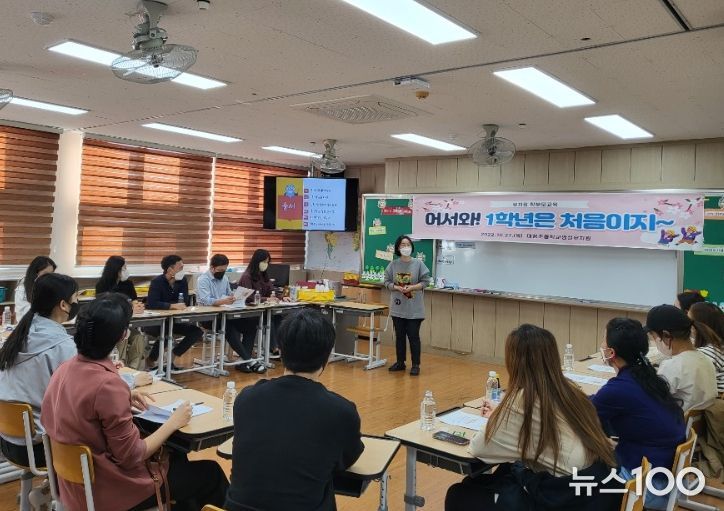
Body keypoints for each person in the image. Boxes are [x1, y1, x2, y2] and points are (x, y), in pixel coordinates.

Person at [41, 293, 228, 511]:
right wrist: (173, 422)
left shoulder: (64, 369)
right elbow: (132, 456)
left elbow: (78, 407)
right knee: (211, 474)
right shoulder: (108, 385)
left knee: (177, 457)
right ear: (122, 335)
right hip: (108, 491)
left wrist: (125, 396)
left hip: (73, 486)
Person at [445, 324, 619, 511]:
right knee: (499, 474)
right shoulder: (570, 390)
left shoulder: (522, 400)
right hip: (595, 492)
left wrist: (501, 417)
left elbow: (479, 447)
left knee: (459, 494)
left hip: (564, 498)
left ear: (513, 361)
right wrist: (502, 415)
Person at [224, 309, 364, 511]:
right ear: (327, 356)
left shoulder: (246, 398)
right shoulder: (341, 412)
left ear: (280, 350)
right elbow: (346, 460)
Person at [592, 318, 686, 510]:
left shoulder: (620, 388)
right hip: (667, 478)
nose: (601, 345)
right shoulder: (647, 376)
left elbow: (581, 414)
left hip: (649, 489)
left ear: (611, 352)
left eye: (604, 340)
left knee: (577, 472)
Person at [0, 273, 77, 467]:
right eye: (75, 298)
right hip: (39, 449)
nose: (77, 303)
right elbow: (80, 396)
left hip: (7, 441)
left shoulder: (17, 336)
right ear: (63, 305)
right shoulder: (63, 346)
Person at [646, 304, 718, 412]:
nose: (654, 341)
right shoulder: (705, 359)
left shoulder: (672, 366)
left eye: (653, 336)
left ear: (666, 335)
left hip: (676, 421)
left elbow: (654, 402)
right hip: (699, 422)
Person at [197, 254, 257, 369]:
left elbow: (229, 293)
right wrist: (222, 301)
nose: (222, 273)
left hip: (226, 315)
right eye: (220, 270)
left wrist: (236, 296)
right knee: (229, 327)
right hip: (209, 317)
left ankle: (243, 362)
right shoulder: (203, 280)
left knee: (251, 325)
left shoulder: (224, 278)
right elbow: (205, 300)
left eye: (224, 270)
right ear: (212, 267)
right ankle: (248, 360)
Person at [383, 235, 431, 376]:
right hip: (398, 307)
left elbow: (426, 281)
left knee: (413, 336)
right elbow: (386, 281)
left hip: (414, 309)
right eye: (402, 245)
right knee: (399, 336)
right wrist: (396, 287)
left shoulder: (418, 264)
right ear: (398, 248)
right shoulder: (393, 265)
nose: (405, 247)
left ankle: (415, 365)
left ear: (411, 247)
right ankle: (400, 362)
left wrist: (412, 287)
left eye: (408, 244)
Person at [146, 254, 203, 370]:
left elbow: (184, 301)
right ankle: (152, 358)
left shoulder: (182, 281)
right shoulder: (157, 282)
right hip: (157, 322)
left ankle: (173, 354)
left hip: (176, 320)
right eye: (180, 267)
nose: (182, 270)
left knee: (196, 332)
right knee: (167, 332)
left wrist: (175, 306)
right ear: (170, 269)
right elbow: (152, 303)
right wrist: (172, 305)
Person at [96, 255, 148, 369]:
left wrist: (138, 306)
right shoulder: (102, 285)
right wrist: (128, 308)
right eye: (124, 268)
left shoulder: (128, 284)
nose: (126, 271)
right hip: (109, 327)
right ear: (116, 270)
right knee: (122, 335)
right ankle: (119, 367)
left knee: (138, 337)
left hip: (126, 324)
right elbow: (103, 307)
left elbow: (134, 301)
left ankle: (133, 369)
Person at [234, 249, 280, 373]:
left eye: (267, 262)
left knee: (279, 317)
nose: (266, 264)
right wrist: (266, 299)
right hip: (247, 313)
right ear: (257, 261)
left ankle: (276, 348)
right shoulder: (247, 276)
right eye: (264, 261)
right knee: (259, 323)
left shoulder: (264, 276)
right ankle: (271, 349)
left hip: (261, 312)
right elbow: (248, 297)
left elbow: (271, 290)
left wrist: (280, 297)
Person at [688, 301, 724, 393]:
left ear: (697, 326)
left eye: (689, 322)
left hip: (715, 400)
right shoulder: (719, 347)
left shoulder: (705, 354)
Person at [13, 256, 56, 323]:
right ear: (35, 273)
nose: (49, 278)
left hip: (46, 324)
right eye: (45, 274)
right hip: (29, 325)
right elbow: (23, 315)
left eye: (51, 274)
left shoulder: (49, 286)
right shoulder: (22, 289)